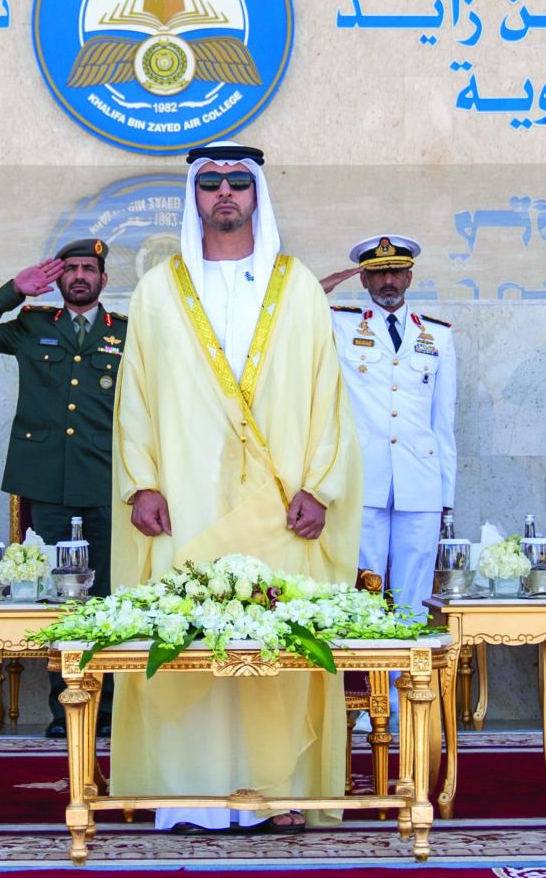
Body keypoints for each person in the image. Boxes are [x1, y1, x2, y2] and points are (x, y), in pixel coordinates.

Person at [110, 143, 360, 833]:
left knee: (273, 641)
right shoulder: (160, 289)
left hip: (278, 509)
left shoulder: (298, 286)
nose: (226, 194)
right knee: (188, 638)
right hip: (185, 502)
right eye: (212, 183)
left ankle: (280, 794)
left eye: (239, 184)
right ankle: (190, 797)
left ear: (257, 195)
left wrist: (323, 486)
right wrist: (141, 484)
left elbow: (328, 397)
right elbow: (134, 395)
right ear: (193, 196)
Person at [0, 236, 124, 740]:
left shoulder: (126, 334)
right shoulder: (32, 324)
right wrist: (14, 289)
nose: (78, 276)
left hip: (106, 478)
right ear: (58, 278)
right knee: (57, 596)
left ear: (102, 279)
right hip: (46, 482)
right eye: (69, 268)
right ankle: (62, 707)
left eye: (88, 269)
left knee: (104, 597)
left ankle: (107, 706)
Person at [329, 234, 456, 707]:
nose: (387, 281)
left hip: (420, 483)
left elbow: (444, 422)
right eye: (377, 273)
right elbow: (289, 312)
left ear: (409, 276)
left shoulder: (437, 334)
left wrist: (447, 497)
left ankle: (409, 701)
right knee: (363, 593)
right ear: (363, 278)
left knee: (413, 595)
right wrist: (331, 281)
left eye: (396, 271)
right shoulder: (340, 325)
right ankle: (368, 703)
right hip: (362, 480)